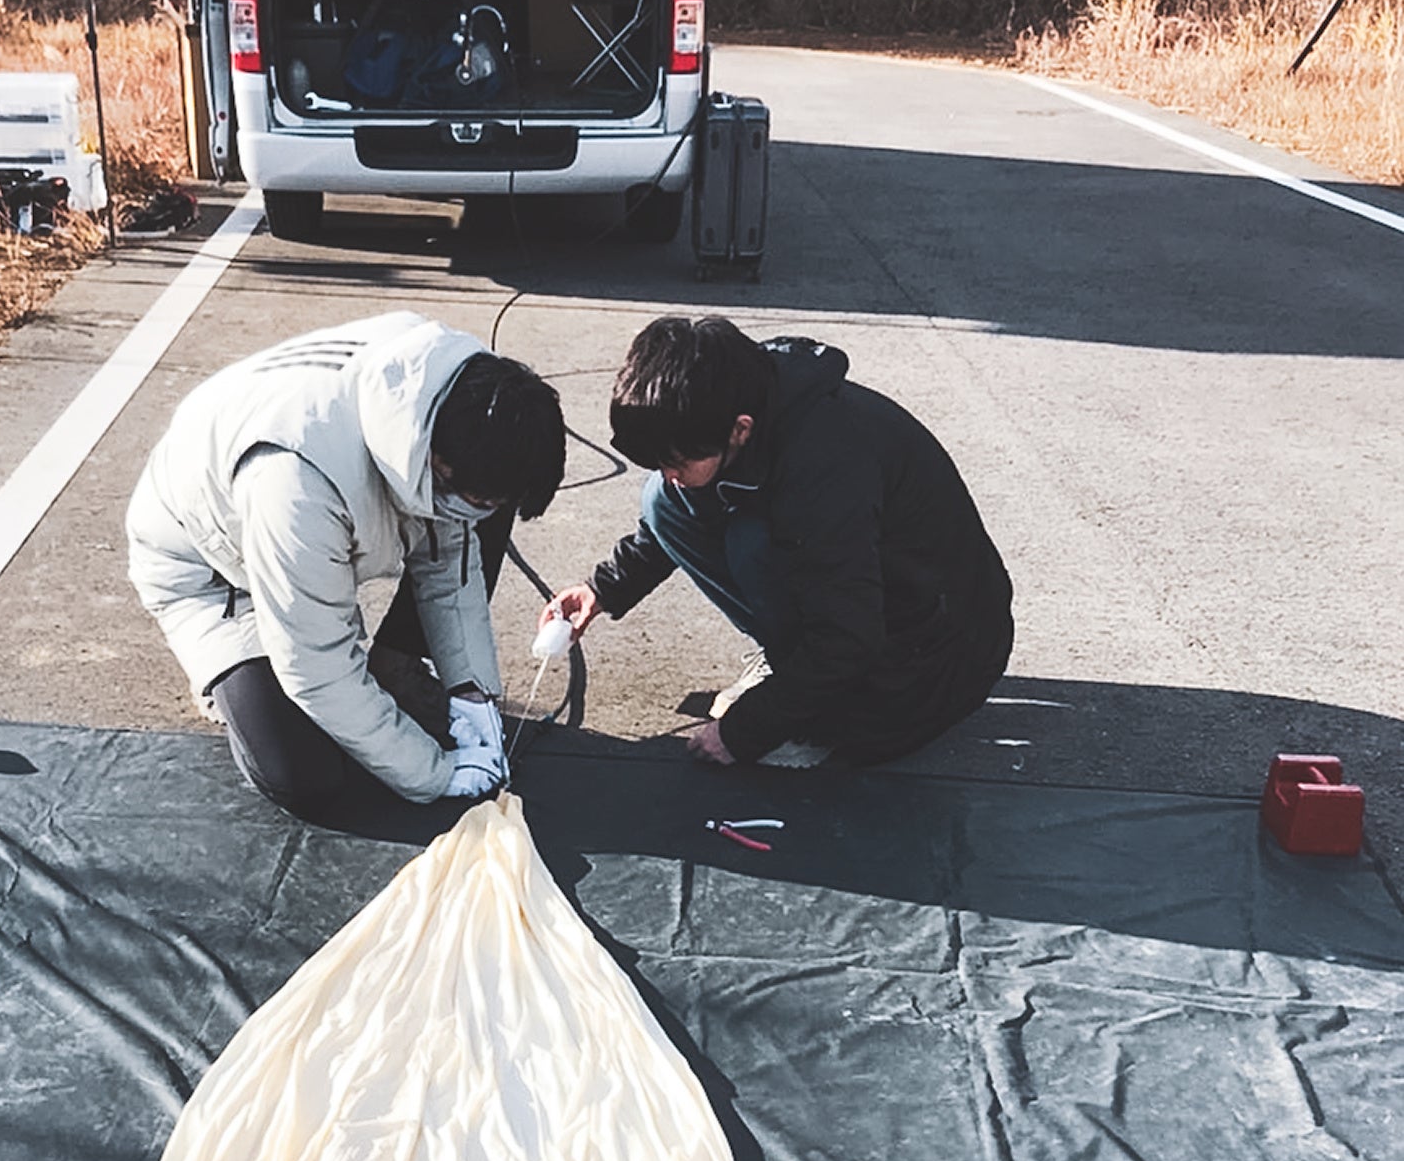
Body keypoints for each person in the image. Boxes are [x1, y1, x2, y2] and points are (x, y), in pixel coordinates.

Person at [127, 311, 565, 815]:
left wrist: (473, 692)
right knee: (303, 773)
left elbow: (450, 561)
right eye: (475, 497)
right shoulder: (296, 485)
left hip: (295, 534)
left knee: (479, 515)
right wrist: (435, 772)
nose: (481, 510)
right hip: (216, 573)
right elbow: (316, 666)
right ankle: (229, 680)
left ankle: (396, 665)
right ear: (438, 465)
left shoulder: (454, 396)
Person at [546, 316, 1013, 769]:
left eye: (679, 461)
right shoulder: (736, 395)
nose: (670, 473)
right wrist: (602, 590)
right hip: (881, 611)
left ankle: (813, 697)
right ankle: (797, 672)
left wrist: (746, 731)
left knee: (751, 544)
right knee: (665, 501)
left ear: (740, 429)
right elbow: (679, 508)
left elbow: (849, 635)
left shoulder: (823, 470)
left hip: (933, 661)